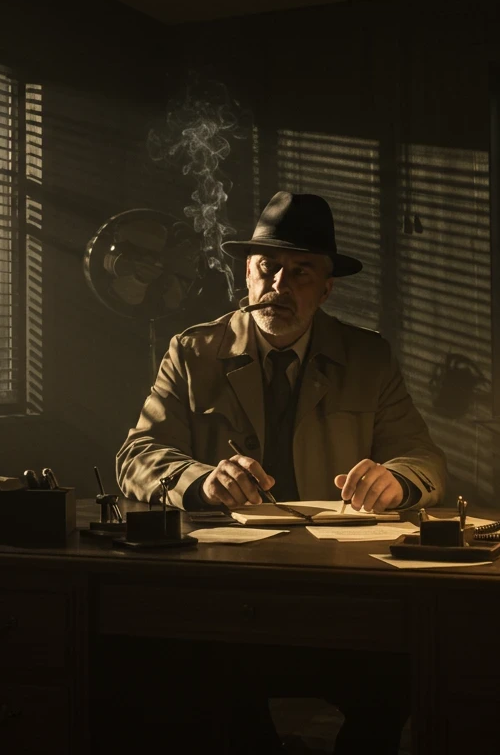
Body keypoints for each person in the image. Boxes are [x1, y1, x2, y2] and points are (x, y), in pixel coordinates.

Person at [115, 190, 447, 753]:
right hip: (224, 586)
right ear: (246, 275)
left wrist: (397, 480)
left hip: (339, 588)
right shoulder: (193, 351)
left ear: (327, 287)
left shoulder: (368, 357)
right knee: (182, 673)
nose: (279, 285)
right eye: (266, 268)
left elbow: (423, 459)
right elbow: (137, 454)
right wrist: (200, 481)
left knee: (402, 672)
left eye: (300, 272)